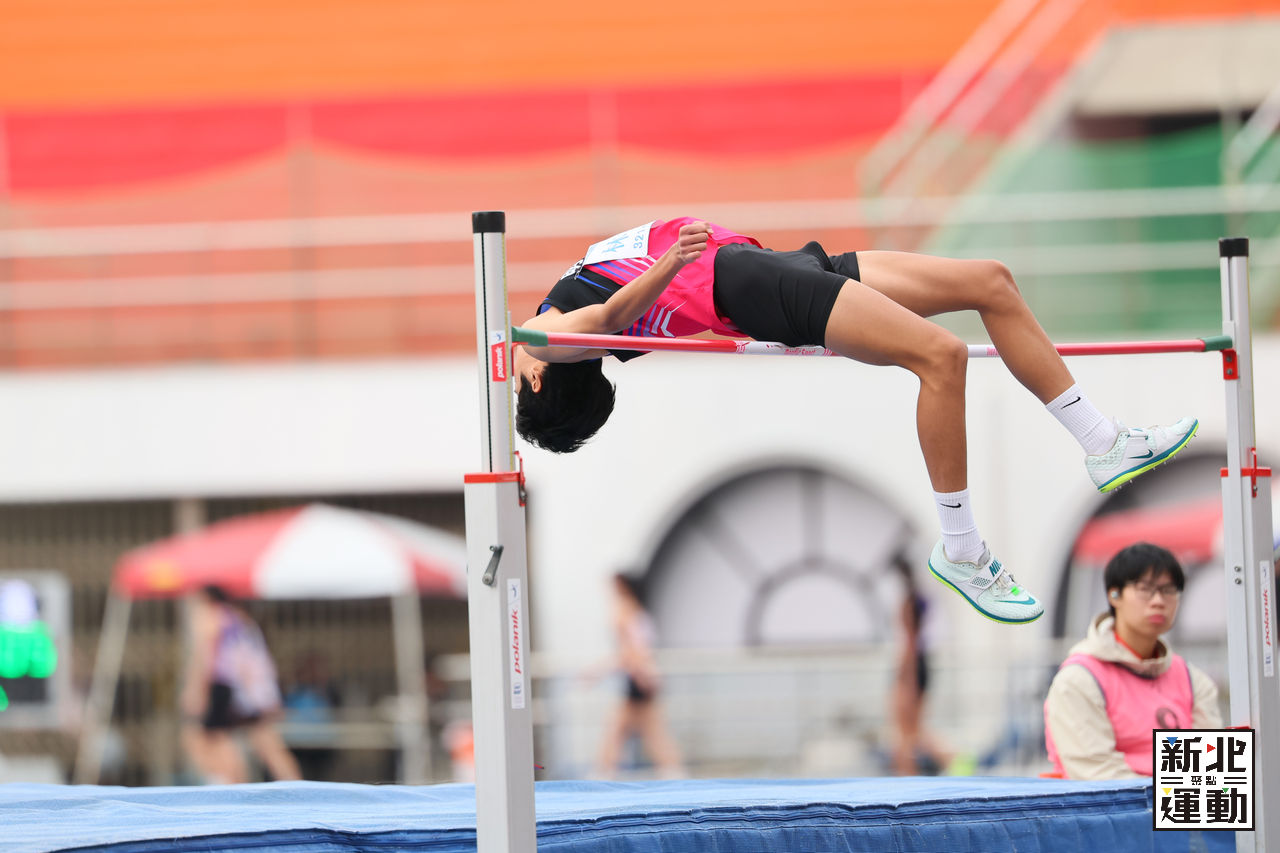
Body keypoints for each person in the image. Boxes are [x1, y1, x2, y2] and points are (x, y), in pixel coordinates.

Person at [513, 218, 1199, 624]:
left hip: (768, 267)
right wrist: (672, 263)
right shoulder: (548, 341)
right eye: (518, 380)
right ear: (540, 375)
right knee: (942, 357)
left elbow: (640, 315)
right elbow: (609, 316)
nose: (515, 370)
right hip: (748, 284)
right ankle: (961, 548)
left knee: (990, 281)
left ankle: (1103, 442)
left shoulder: (556, 330)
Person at [1043, 542, 1221, 780]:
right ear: (1114, 595)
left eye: (1168, 590)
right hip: (1114, 804)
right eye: (1145, 589)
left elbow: (1211, 773)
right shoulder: (1079, 680)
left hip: (1181, 802)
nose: (1158, 601)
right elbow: (1097, 776)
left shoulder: (1192, 680)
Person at [180, 585, 301, 784]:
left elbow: (204, 656)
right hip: (254, 688)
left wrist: (195, 690)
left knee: (207, 737)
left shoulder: (210, 616)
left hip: (225, 684)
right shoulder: (240, 619)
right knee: (266, 742)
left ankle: (230, 783)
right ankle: (294, 785)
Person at [596, 573, 683, 779]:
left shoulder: (624, 612)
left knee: (624, 728)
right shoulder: (639, 612)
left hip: (638, 676)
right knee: (645, 728)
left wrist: (598, 672)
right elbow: (640, 649)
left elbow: (630, 651)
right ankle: (672, 770)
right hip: (643, 674)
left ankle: (604, 771)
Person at [888, 555, 952, 776]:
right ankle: (913, 772)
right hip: (916, 665)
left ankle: (913, 773)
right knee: (911, 731)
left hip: (912, 667)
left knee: (906, 731)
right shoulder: (915, 600)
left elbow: (910, 641)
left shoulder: (909, 604)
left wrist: (906, 676)